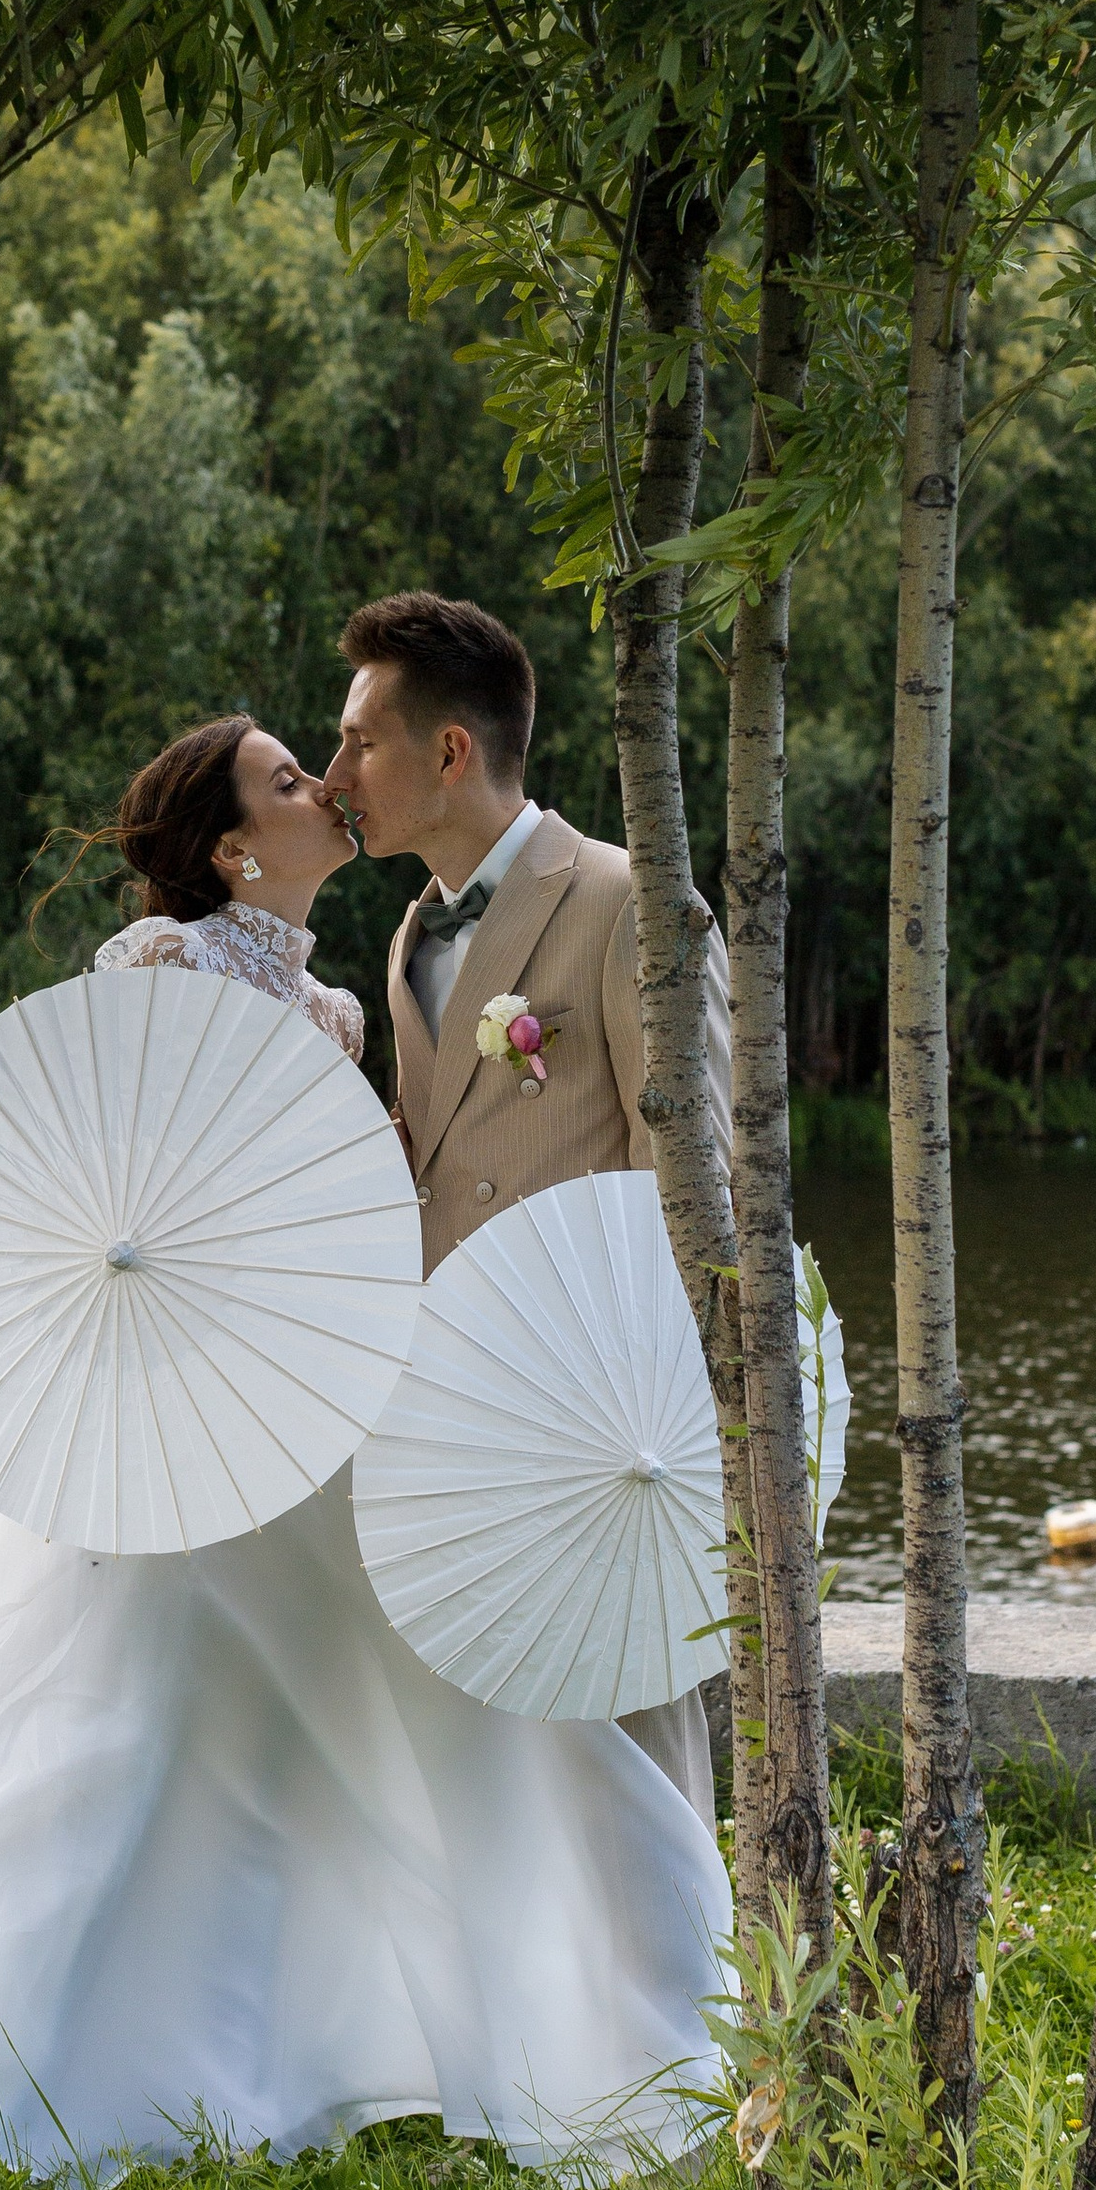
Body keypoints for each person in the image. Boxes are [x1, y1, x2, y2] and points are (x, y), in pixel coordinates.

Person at [0, 709, 732, 2190]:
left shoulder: (339, 1009)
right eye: (291, 777)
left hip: (314, 1407)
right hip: (173, 1415)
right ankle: (39, 2059)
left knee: (379, 1718)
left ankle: (371, 2027)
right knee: (128, 1727)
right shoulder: (166, 976)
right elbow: (136, 1201)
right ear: (238, 845)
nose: (325, 784)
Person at [325, 590, 732, 1823]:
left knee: (636, 1715)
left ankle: (696, 1985)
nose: (337, 767)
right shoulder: (404, 938)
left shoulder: (623, 900)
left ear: (449, 752)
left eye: (361, 741)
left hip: (599, 1398)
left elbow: (702, 1173)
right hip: (462, 1392)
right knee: (497, 1742)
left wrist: (679, 1388)